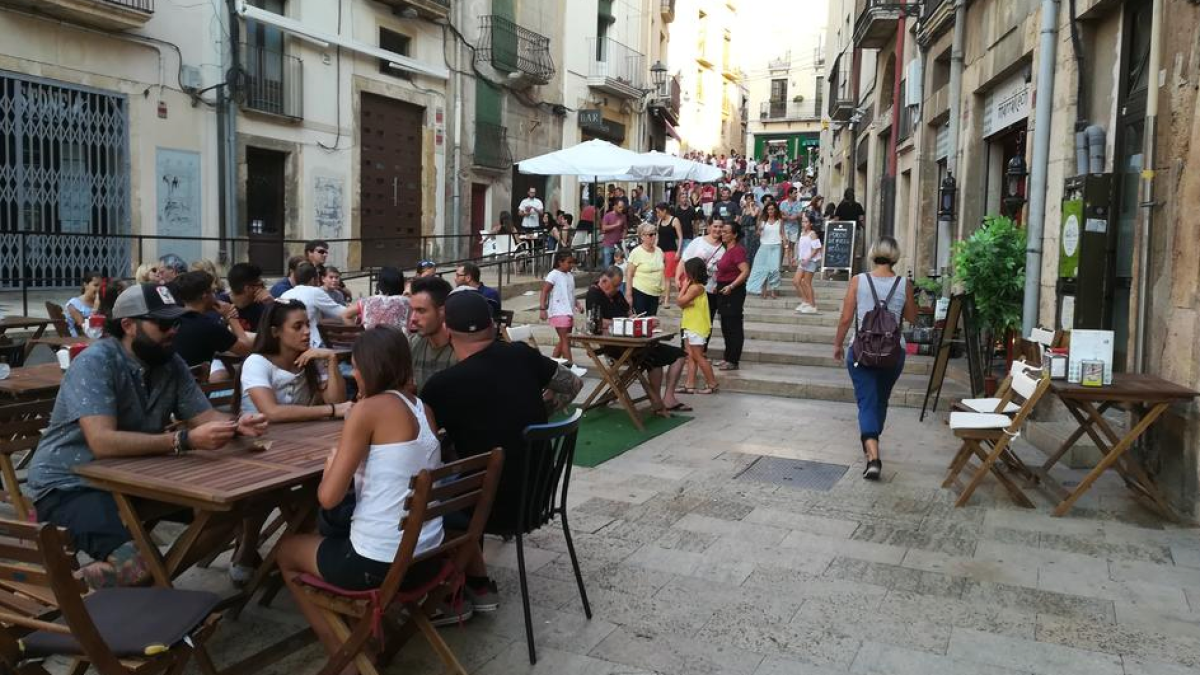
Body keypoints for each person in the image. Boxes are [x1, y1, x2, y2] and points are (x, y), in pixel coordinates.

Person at [26, 283, 268, 588]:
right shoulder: (96, 361)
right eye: (164, 323)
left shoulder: (169, 361)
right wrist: (183, 441)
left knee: (232, 508)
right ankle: (64, 587)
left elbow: (204, 417)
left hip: (136, 476)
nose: (173, 331)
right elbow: (102, 442)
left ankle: (154, 586)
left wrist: (236, 424)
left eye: (176, 322)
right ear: (128, 325)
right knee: (133, 566)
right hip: (70, 484)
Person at [277, 326, 449, 653]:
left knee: (287, 550)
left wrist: (331, 469)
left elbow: (329, 497)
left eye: (355, 366)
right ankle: (368, 631)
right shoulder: (423, 408)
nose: (354, 373)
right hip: (427, 558)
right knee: (330, 534)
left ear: (368, 367)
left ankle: (347, 659)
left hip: (378, 565)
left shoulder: (367, 410)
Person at [420, 291, 582, 613]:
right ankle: (475, 584)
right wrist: (537, 413)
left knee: (424, 499)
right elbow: (573, 385)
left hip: (489, 508)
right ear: (491, 327)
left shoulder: (442, 386)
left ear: (448, 330)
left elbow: (425, 446)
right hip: (539, 497)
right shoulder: (520, 354)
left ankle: (455, 591)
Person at [832, 237, 917, 481]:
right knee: (880, 400)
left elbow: (846, 317)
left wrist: (837, 344)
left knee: (866, 401)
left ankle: (873, 456)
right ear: (896, 257)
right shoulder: (904, 283)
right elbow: (912, 317)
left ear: (872, 254)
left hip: (861, 351)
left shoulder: (858, 281)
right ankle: (872, 443)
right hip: (893, 353)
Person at [585, 267, 688, 412]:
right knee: (653, 358)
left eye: (618, 285)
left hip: (633, 340)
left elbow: (630, 313)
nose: (615, 289)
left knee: (679, 355)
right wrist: (622, 322)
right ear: (603, 280)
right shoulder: (594, 294)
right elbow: (596, 321)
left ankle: (667, 398)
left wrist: (642, 321)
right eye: (614, 285)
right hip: (616, 345)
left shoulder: (617, 294)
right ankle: (656, 400)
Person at [171, 270, 253, 369]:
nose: (216, 296)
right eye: (213, 292)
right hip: (194, 382)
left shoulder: (173, 318)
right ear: (205, 296)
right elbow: (246, 349)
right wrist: (231, 316)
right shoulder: (208, 326)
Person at [408, 276, 457, 392]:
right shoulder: (412, 343)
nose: (412, 318)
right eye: (412, 310)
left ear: (442, 312)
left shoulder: (460, 350)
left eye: (421, 311)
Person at [281, 263, 349, 348]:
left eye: (336, 277)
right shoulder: (315, 292)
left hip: (287, 343)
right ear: (313, 279)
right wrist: (361, 307)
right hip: (311, 344)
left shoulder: (285, 294)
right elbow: (342, 312)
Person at [677, 258, 718, 395]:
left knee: (698, 356)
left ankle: (712, 383)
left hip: (697, 326)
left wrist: (683, 287)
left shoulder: (696, 288)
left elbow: (679, 301)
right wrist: (684, 302)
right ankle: (690, 385)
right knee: (690, 356)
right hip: (690, 324)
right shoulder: (694, 287)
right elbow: (683, 303)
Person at [712, 221, 750, 371]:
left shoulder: (738, 250)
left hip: (733, 290)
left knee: (733, 325)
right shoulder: (726, 249)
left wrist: (732, 286)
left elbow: (745, 271)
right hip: (723, 288)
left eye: (726, 231)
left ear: (734, 235)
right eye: (722, 231)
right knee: (725, 325)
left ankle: (733, 359)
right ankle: (727, 357)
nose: (723, 233)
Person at [540, 250, 582, 366]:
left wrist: (577, 304)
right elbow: (544, 291)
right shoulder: (553, 275)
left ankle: (552, 363)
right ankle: (570, 366)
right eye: (569, 263)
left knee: (564, 340)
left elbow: (570, 293)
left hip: (568, 311)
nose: (571, 265)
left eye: (572, 263)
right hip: (559, 311)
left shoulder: (569, 276)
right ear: (560, 262)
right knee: (565, 340)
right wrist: (542, 309)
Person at [343, 266, 410, 330]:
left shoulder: (367, 301)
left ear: (380, 284)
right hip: (399, 341)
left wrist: (357, 335)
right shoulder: (409, 302)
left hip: (371, 340)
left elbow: (345, 315)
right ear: (401, 284)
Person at [625, 222, 665, 316]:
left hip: (655, 292)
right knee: (641, 321)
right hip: (640, 291)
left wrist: (663, 291)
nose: (654, 237)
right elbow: (629, 274)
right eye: (650, 235)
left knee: (651, 321)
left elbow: (662, 271)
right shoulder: (636, 252)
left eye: (655, 234)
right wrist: (629, 294)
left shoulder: (659, 251)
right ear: (642, 237)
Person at [746, 202, 784, 299]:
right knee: (762, 268)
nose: (771, 211)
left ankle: (773, 291)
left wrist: (786, 244)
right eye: (769, 209)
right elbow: (758, 233)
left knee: (774, 269)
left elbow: (782, 233)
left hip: (776, 246)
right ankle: (763, 290)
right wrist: (759, 230)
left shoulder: (780, 221)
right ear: (766, 211)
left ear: (775, 210)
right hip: (764, 246)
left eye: (772, 209)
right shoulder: (763, 221)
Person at [224, 263, 272, 332]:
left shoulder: (260, 305)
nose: (264, 288)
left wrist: (272, 305)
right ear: (248, 288)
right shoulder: (220, 307)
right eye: (261, 284)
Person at [794, 211, 824, 314]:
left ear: (810, 224)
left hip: (810, 261)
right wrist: (797, 256)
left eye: (806, 222)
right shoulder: (802, 233)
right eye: (803, 222)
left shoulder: (813, 234)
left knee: (806, 283)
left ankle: (812, 305)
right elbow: (801, 247)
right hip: (802, 261)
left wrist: (808, 258)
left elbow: (817, 248)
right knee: (796, 281)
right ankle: (805, 301)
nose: (804, 224)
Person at [654, 203, 683, 307]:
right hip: (660, 251)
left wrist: (679, 252)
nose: (657, 214)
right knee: (660, 275)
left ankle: (666, 300)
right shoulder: (659, 221)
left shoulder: (674, 220)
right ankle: (661, 297)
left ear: (664, 211)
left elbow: (680, 237)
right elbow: (657, 236)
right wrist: (654, 248)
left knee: (667, 276)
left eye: (659, 212)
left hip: (671, 251)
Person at [64, 270, 102, 337]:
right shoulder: (73, 304)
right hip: (78, 341)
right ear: (86, 285)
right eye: (96, 285)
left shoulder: (100, 302)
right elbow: (84, 330)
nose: (99, 289)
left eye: (101, 286)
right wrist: (95, 309)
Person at [780, 186, 805, 271]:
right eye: (794, 193)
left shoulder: (798, 203)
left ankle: (791, 264)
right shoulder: (783, 203)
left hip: (794, 228)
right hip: (785, 227)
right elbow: (780, 216)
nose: (796, 194)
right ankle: (781, 264)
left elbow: (799, 215)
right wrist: (789, 217)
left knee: (792, 246)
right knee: (784, 246)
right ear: (790, 194)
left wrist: (787, 215)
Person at [600, 198, 627, 269]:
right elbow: (604, 228)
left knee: (618, 265)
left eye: (622, 207)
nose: (621, 209)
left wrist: (624, 234)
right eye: (619, 207)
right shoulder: (607, 216)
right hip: (608, 244)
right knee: (607, 265)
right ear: (614, 207)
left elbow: (624, 228)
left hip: (618, 244)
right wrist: (615, 225)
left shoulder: (623, 216)